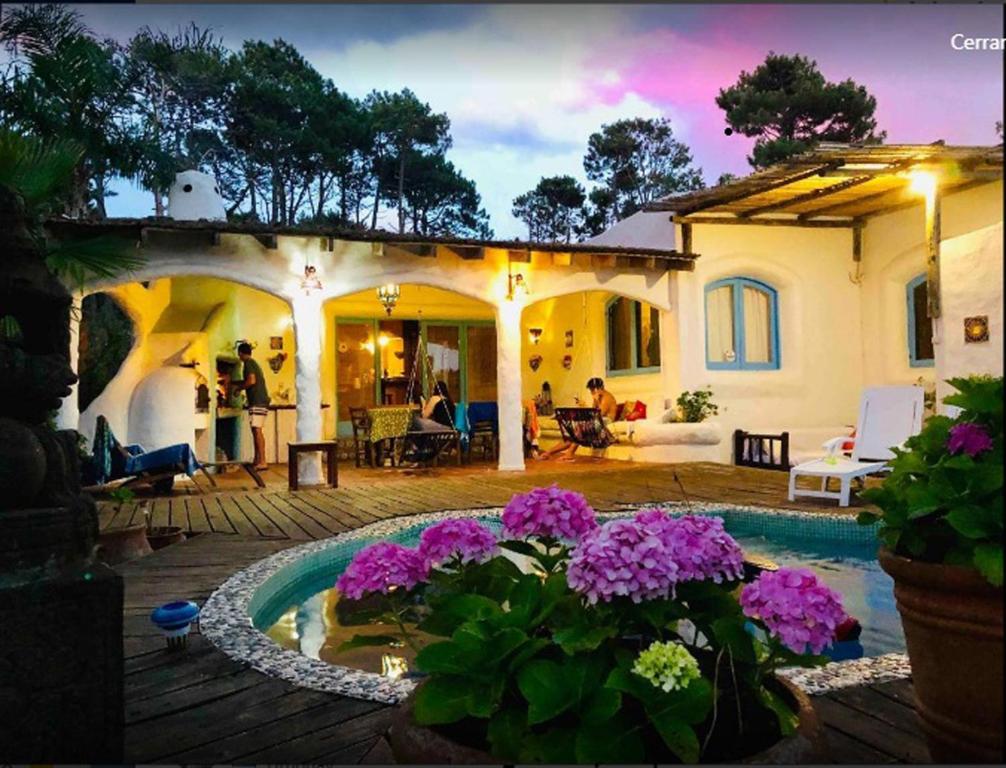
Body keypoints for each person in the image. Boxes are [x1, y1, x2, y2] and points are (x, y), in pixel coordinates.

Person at [538, 377, 617, 461]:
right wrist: (585, 406)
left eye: (593, 390)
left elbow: (599, 415)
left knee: (580, 430)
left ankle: (569, 454)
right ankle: (548, 453)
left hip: (606, 420)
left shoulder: (607, 398)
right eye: (591, 390)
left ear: (600, 388)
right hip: (598, 419)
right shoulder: (597, 397)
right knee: (572, 434)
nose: (592, 392)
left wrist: (595, 402)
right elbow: (593, 412)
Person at [231, 342, 270, 470]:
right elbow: (250, 379)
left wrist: (239, 389)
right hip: (260, 400)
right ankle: (257, 459)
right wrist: (234, 383)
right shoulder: (253, 363)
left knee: (257, 430)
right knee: (255, 430)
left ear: (241, 353)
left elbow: (251, 381)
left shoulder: (248, 364)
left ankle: (262, 461)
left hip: (257, 400)